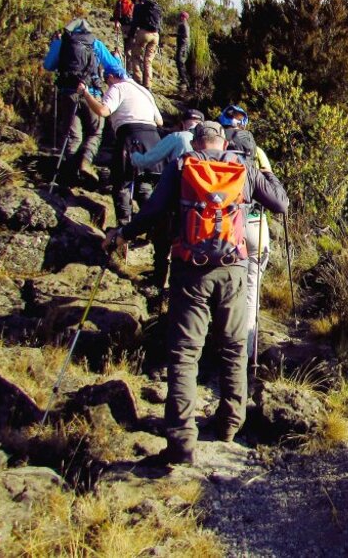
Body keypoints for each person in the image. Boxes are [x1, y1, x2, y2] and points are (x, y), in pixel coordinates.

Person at [103, 121, 289, 465]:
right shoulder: (243, 167)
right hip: (233, 269)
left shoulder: (182, 165)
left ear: (197, 141)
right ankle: (230, 425)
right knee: (233, 347)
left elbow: (154, 211)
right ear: (222, 141)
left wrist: (123, 233)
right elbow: (280, 204)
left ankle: (181, 441)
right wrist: (267, 171)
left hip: (190, 269)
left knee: (185, 354)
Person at [79, 70, 168, 288]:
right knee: (145, 185)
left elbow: (102, 110)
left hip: (130, 137)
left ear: (111, 77)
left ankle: (122, 233)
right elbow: (159, 120)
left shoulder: (117, 88)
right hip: (152, 139)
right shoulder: (144, 91)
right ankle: (153, 229)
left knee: (123, 184)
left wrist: (85, 94)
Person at [217, 105, 270, 366]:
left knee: (220, 288)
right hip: (253, 225)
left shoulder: (213, 150)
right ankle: (245, 354)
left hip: (220, 229)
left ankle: (216, 348)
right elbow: (277, 198)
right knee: (250, 291)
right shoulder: (256, 152)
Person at [43, 18, 124, 188]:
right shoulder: (95, 43)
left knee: (74, 136)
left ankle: (70, 174)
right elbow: (115, 69)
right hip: (91, 94)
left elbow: (48, 65)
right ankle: (85, 161)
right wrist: (118, 59)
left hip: (68, 93)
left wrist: (55, 45)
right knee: (95, 132)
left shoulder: (62, 42)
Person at [130, 108, 204, 170]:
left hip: (180, 184)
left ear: (182, 124)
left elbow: (147, 160)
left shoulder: (177, 137)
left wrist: (133, 155)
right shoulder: (211, 142)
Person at [130, 0, 162, 90]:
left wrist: (131, 35)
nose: (135, 3)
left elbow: (135, 22)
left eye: (135, 1)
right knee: (148, 60)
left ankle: (138, 81)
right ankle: (148, 85)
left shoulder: (139, 7)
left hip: (144, 33)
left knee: (135, 56)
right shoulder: (157, 7)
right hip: (155, 35)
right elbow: (161, 23)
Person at [112, 0, 143, 70]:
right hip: (133, 26)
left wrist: (116, 21)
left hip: (123, 25)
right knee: (135, 47)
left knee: (127, 47)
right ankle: (136, 68)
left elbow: (116, 13)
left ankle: (128, 68)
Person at [175, 11, 190, 91]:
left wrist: (176, 35)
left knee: (180, 62)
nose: (180, 18)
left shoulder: (184, 25)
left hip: (183, 46)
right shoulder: (184, 24)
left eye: (182, 16)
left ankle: (184, 81)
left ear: (184, 17)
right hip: (182, 46)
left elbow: (186, 35)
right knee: (179, 62)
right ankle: (183, 81)